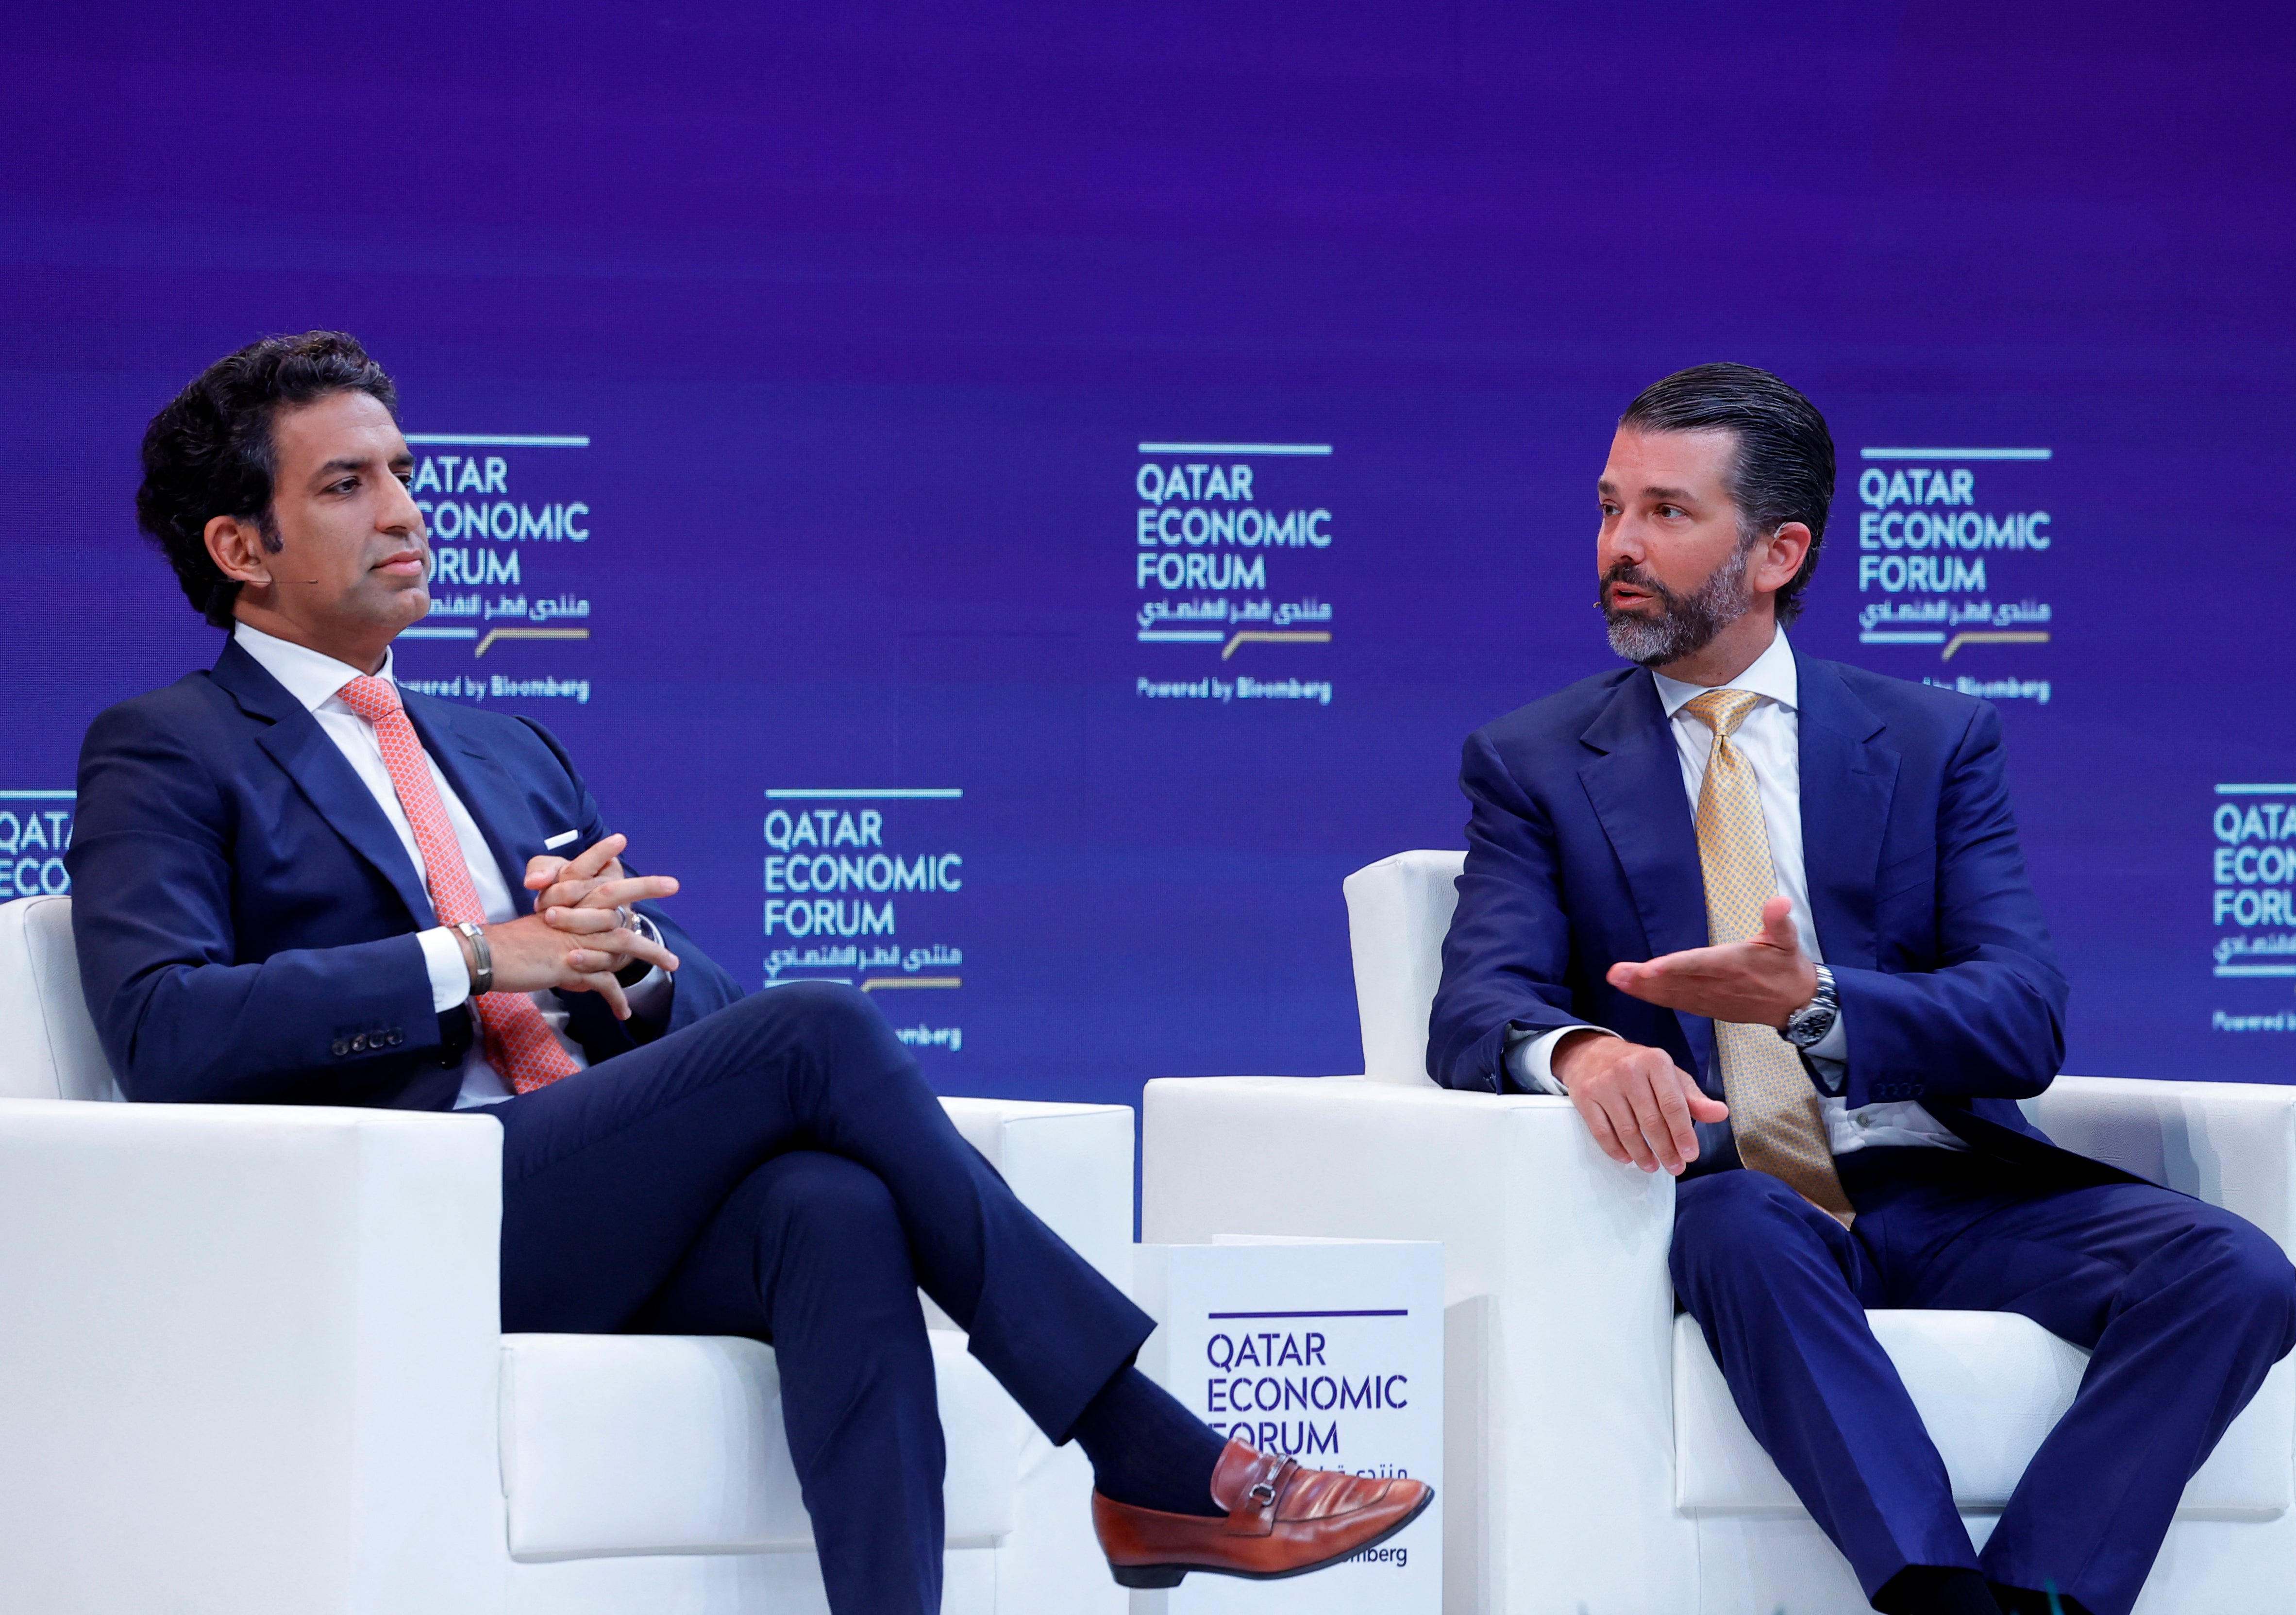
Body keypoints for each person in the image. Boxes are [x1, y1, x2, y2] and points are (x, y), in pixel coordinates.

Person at [70, 331, 1428, 1615]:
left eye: (406, 474)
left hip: (572, 1194)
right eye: (347, 485)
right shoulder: (171, 747)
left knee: (831, 1208)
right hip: (399, 1215)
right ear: (240, 546)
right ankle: (1150, 1456)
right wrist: (474, 956)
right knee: (820, 1028)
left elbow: (684, 1017)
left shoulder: (502, 747)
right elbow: (166, 1032)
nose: (407, 511)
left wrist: (633, 971)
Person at [1425, 363, 2295, 1615]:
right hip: (1731, 1189)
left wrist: (1817, 1005)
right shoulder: (1536, 761)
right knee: (1745, 1226)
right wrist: (1578, 1054)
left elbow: (2022, 1016)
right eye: (1611, 507)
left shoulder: (1935, 742)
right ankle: (1938, 1599)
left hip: (1940, 1180)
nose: (1621, 544)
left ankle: (2045, 1595)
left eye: (1668, 513)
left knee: (2233, 1272)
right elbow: (1478, 1002)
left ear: (1779, 550)